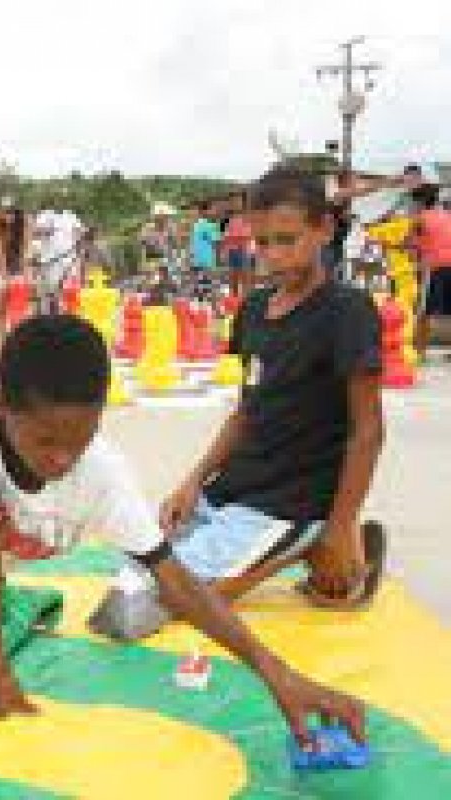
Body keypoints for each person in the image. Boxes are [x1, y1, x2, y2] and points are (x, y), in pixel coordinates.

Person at [0, 313, 365, 742]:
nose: (62, 460)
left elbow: (176, 581)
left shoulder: (102, 476)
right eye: (46, 441)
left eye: (81, 438)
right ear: (2, 407)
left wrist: (278, 675)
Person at [160, 166, 387, 611]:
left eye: (287, 239)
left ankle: (320, 541)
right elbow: (247, 412)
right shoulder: (254, 309)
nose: (273, 255)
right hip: (235, 488)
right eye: (262, 242)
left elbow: (368, 431)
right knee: (138, 568)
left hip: (293, 500)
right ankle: (308, 550)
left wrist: (342, 524)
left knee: (174, 597)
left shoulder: (347, 311)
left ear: (324, 229)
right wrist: (192, 483)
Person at [407, 185, 451, 362]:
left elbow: (410, 247)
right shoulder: (447, 215)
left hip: (435, 267)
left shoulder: (418, 219)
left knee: (423, 311)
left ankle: (419, 352)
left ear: (418, 202)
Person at [0, 201, 31, 345]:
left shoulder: (23, 223)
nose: (8, 215)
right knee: (0, 311)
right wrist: (5, 277)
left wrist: (25, 275)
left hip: (17, 270)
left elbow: (25, 251)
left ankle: (17, 345)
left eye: (11, 212)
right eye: (5, 212)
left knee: (18, 312)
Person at [221, 197, 255, 298]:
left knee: (246, 278)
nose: (234, 204)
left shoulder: (250, 217)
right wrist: (225, 251)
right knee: (232, 277)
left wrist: (232, 237)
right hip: (233, 250)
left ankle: (247, 300)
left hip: (246, 250)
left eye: (237, 201)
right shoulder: (230, 219)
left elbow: (249, 235)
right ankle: (233, 300)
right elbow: (225, 236)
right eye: (233, 202)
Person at [189, 203, 221, 297]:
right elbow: (216, 242)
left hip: (196, 258)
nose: (215, 212)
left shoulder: (196, 225)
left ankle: (199, 302)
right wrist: (219, 258)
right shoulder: (210, 225)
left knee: (198, 285)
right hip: (207, 259)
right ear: (205, 211)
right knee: (207, 285)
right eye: (212, 210)